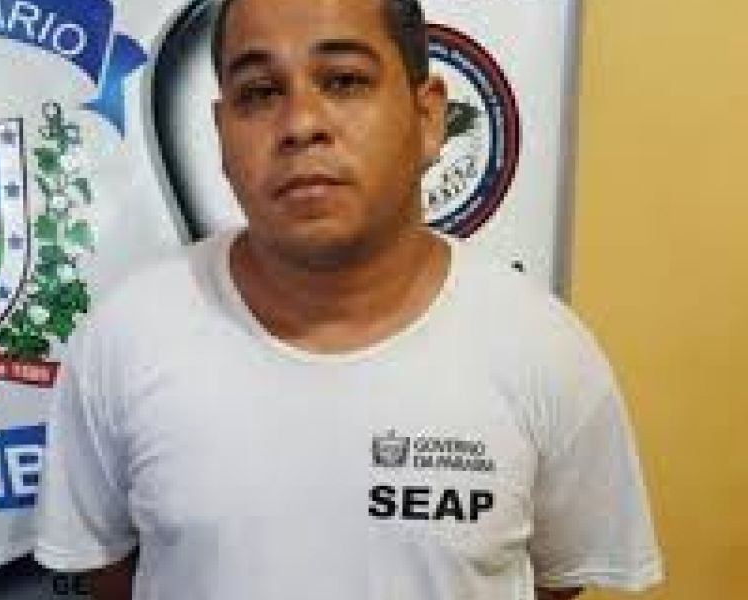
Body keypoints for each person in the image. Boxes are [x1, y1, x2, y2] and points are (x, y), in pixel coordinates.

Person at [34, 0, 663, 598]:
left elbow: (559, 575)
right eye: (260, 93)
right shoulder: (128, 336)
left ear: (428, 117)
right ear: (222, 133)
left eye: (343, 81)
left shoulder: (543, 348)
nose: (301, 125)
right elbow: (108, 570)